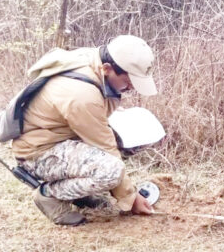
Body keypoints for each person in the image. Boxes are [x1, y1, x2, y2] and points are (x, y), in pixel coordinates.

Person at [11, 35, 158, 226]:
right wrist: (131, 198)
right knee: (111, 170)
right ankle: (49, 195)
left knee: (126, 140)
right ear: (107, 68)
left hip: (59, 137)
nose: (131, 88)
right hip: (38, 153)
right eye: (128, 83)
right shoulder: (82, 95)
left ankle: (80, 194)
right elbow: (107, 149)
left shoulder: (93, 60)